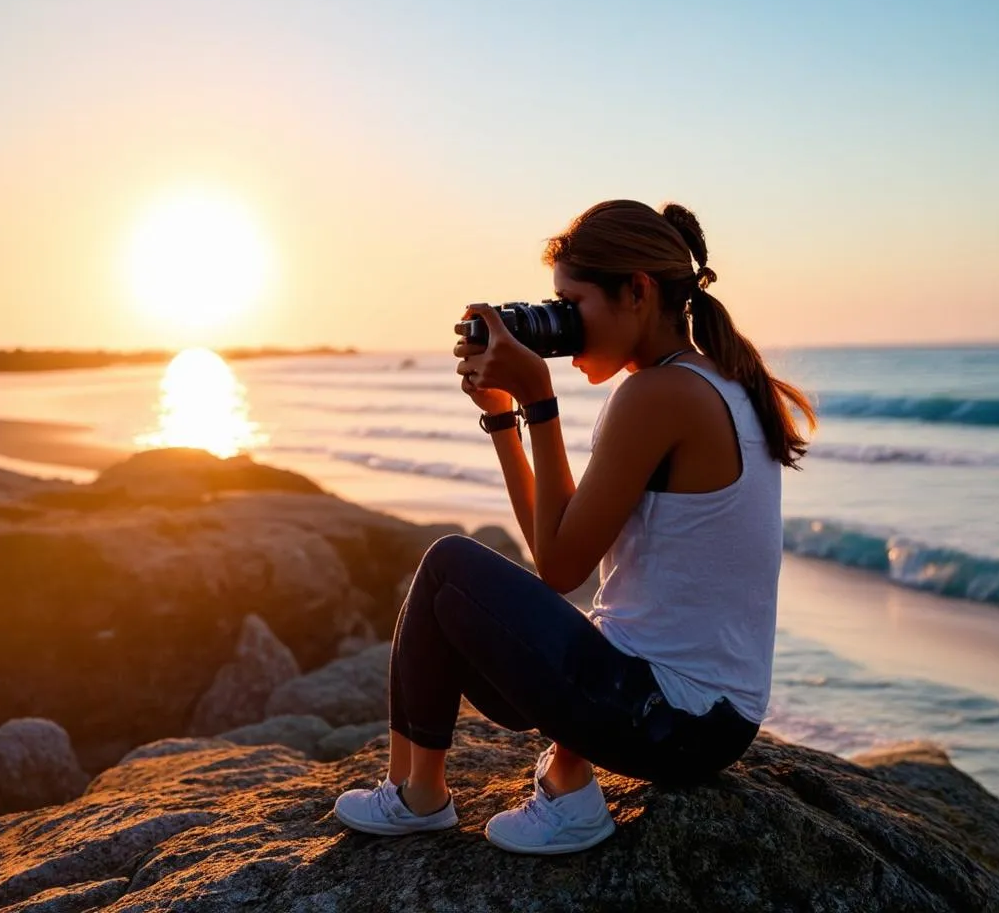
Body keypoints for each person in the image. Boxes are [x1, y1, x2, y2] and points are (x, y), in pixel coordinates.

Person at [334, 199, 816, 854]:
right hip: (705, 722)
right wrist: (505, 416)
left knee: (449, 564)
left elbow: (562, 570)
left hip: (666, 721)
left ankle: (427, 796)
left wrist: (540, 400)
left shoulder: (657, 397)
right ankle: (553, 777)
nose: (558, 327)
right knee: (453, 586)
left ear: (637, 292)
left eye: (571, 304)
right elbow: (559, 544)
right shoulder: (717, 381)